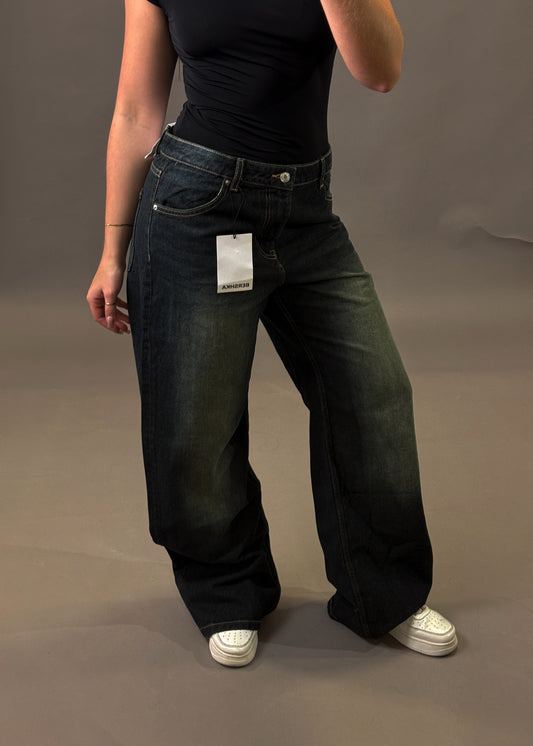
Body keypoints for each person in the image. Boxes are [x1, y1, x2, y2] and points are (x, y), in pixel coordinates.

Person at [87, 0, 457, 667]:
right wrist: (114, 250)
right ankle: (226, 590)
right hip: (198, 207)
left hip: (305, 210)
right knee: (197, 425)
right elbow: (136, 111)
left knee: (374, 397)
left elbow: (380, 71)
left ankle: (383, 592)